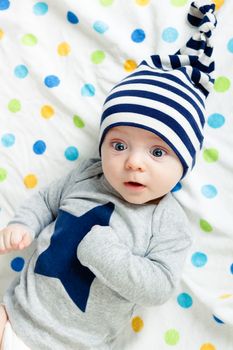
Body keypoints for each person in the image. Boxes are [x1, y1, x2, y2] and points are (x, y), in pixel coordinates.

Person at [0, 1, 217, 349]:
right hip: (15, 313)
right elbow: (45, 201)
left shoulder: (166, 221)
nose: (133, 163)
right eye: (118, 145)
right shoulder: (88, 175)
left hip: (76, 343)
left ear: (184, 164)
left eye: (157, 152)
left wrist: (106, 253)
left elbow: (158, 287)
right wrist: (22, 226)